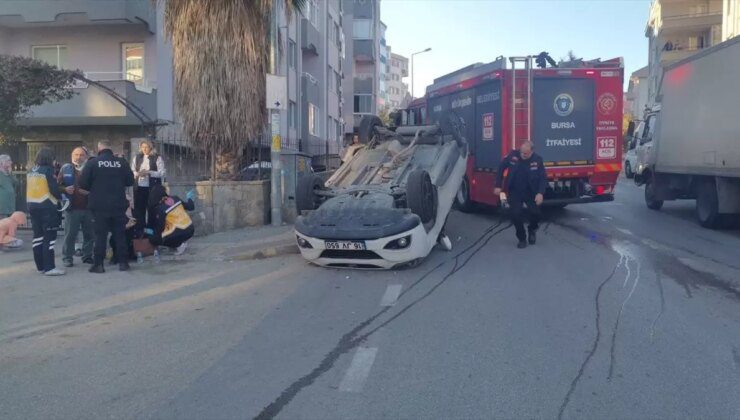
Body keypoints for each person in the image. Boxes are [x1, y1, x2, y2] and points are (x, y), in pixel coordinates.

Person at [79, 140, 135, 273]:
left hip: (99, 205)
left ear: (99, 148)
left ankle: (98, 264)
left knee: (100, 235)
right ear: (111, 148)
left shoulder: (93, 163)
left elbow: (83, 183)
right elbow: (130, 181)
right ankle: (123, 263)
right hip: (118, 204)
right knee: (120, 234)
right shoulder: (121, 162)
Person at [494, 141, 547, 249]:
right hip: (515, 191)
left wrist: (540, 193)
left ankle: (532, 229)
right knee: (515, 214)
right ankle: (522, 238)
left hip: (531, 192)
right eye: (522, 152)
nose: (523, 155)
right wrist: (498, 185)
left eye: (526, 154)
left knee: (536, 213)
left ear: (532, 152)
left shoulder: (537, 160)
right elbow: (501, 168)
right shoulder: (513, 155)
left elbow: (543, 178)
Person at [26, 147, 65, 275]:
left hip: (33, 206)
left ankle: (41, 267)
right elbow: (53, 189)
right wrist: (61, 197)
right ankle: (49, 267)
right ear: (49, 158)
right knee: (50, 238)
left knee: (37, 237)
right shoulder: (48, 170)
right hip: (47, 207)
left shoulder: (31, 170)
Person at [57, 147, 94, 267]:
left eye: (81, 155)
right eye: (76, 154)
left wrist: (90, 193)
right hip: (72, 208)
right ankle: (67, 258)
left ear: (86, 157)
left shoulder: (91, 168)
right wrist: (65, 189)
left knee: (89, 234)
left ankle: (87, 256)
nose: (78, 157)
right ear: (72, 156)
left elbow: (98, 186)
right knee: (70, 235)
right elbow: (57, 186)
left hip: (89, 208)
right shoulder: (66, 168)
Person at [146, 185, 195, 255]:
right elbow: (191, 207)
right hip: (190, 229)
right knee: (169, 231)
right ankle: (179, 242)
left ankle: (178, 245)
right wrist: (189, 198)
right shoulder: (175, 198)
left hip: (179, 231)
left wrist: (149, 232)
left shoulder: (159, 208)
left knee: (154, 239)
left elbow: (160, 228)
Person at [131, 140, 166, 233]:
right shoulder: (137, 157)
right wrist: (138, 173)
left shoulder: (157, 158)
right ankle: (140, 231)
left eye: (146, 147)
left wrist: (149, 172)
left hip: (152, 188)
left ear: (150, 147)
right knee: (139, 211)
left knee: (152, 210)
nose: (144, 149)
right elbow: (132, 170)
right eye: (143, 147)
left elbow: (162, 173)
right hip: (139, 187)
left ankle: (152, 232)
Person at [0, 154, 18, 219]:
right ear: (2, 163)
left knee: (11, 227)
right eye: (9, 160)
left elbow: (16, 183)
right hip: (2, 209)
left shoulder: (9, 174)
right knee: (3, 227)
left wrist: (10, 173)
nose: (11, 162)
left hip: (11, 207)